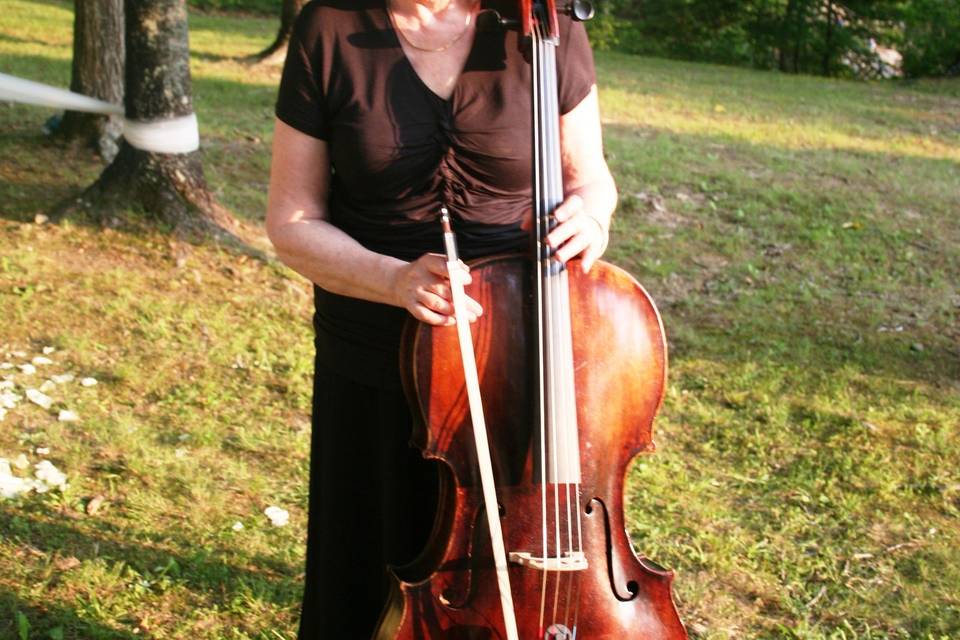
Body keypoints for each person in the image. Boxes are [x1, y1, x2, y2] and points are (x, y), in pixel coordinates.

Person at [265, 0, 617, 636]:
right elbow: (292, 225)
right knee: (372, 557)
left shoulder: (547, 23)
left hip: (523, 349)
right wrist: (394, 280)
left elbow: (591, 180)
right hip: (377, 344)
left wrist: (590, 218)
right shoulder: (329, 27)